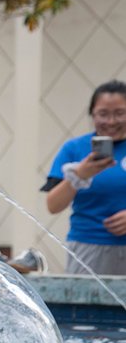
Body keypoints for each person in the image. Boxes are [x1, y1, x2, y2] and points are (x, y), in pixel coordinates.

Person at [43, 80, 126, 275]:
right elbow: (52, 206)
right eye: (103, 114)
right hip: (88, 247)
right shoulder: (74, 149)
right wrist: (78, 176)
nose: (112, 121)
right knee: (86, 304)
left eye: (120, 113)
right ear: (92, 115)